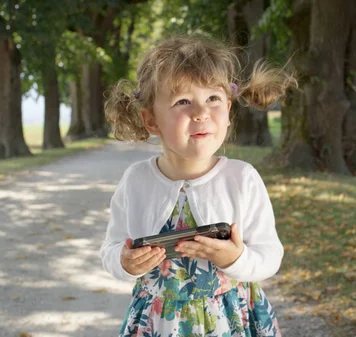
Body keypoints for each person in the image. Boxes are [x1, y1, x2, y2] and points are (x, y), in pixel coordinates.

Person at [100, 35, 296, 337]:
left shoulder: (241, 179)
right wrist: (125, 263)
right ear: (151, 120)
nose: (201, 112)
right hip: (159, 322)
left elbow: (270, 255)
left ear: (228, 110)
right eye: (183, 102)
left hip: (230, 319)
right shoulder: (136, 181)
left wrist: (236, 259)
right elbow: (111, 248)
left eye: (213, 99)